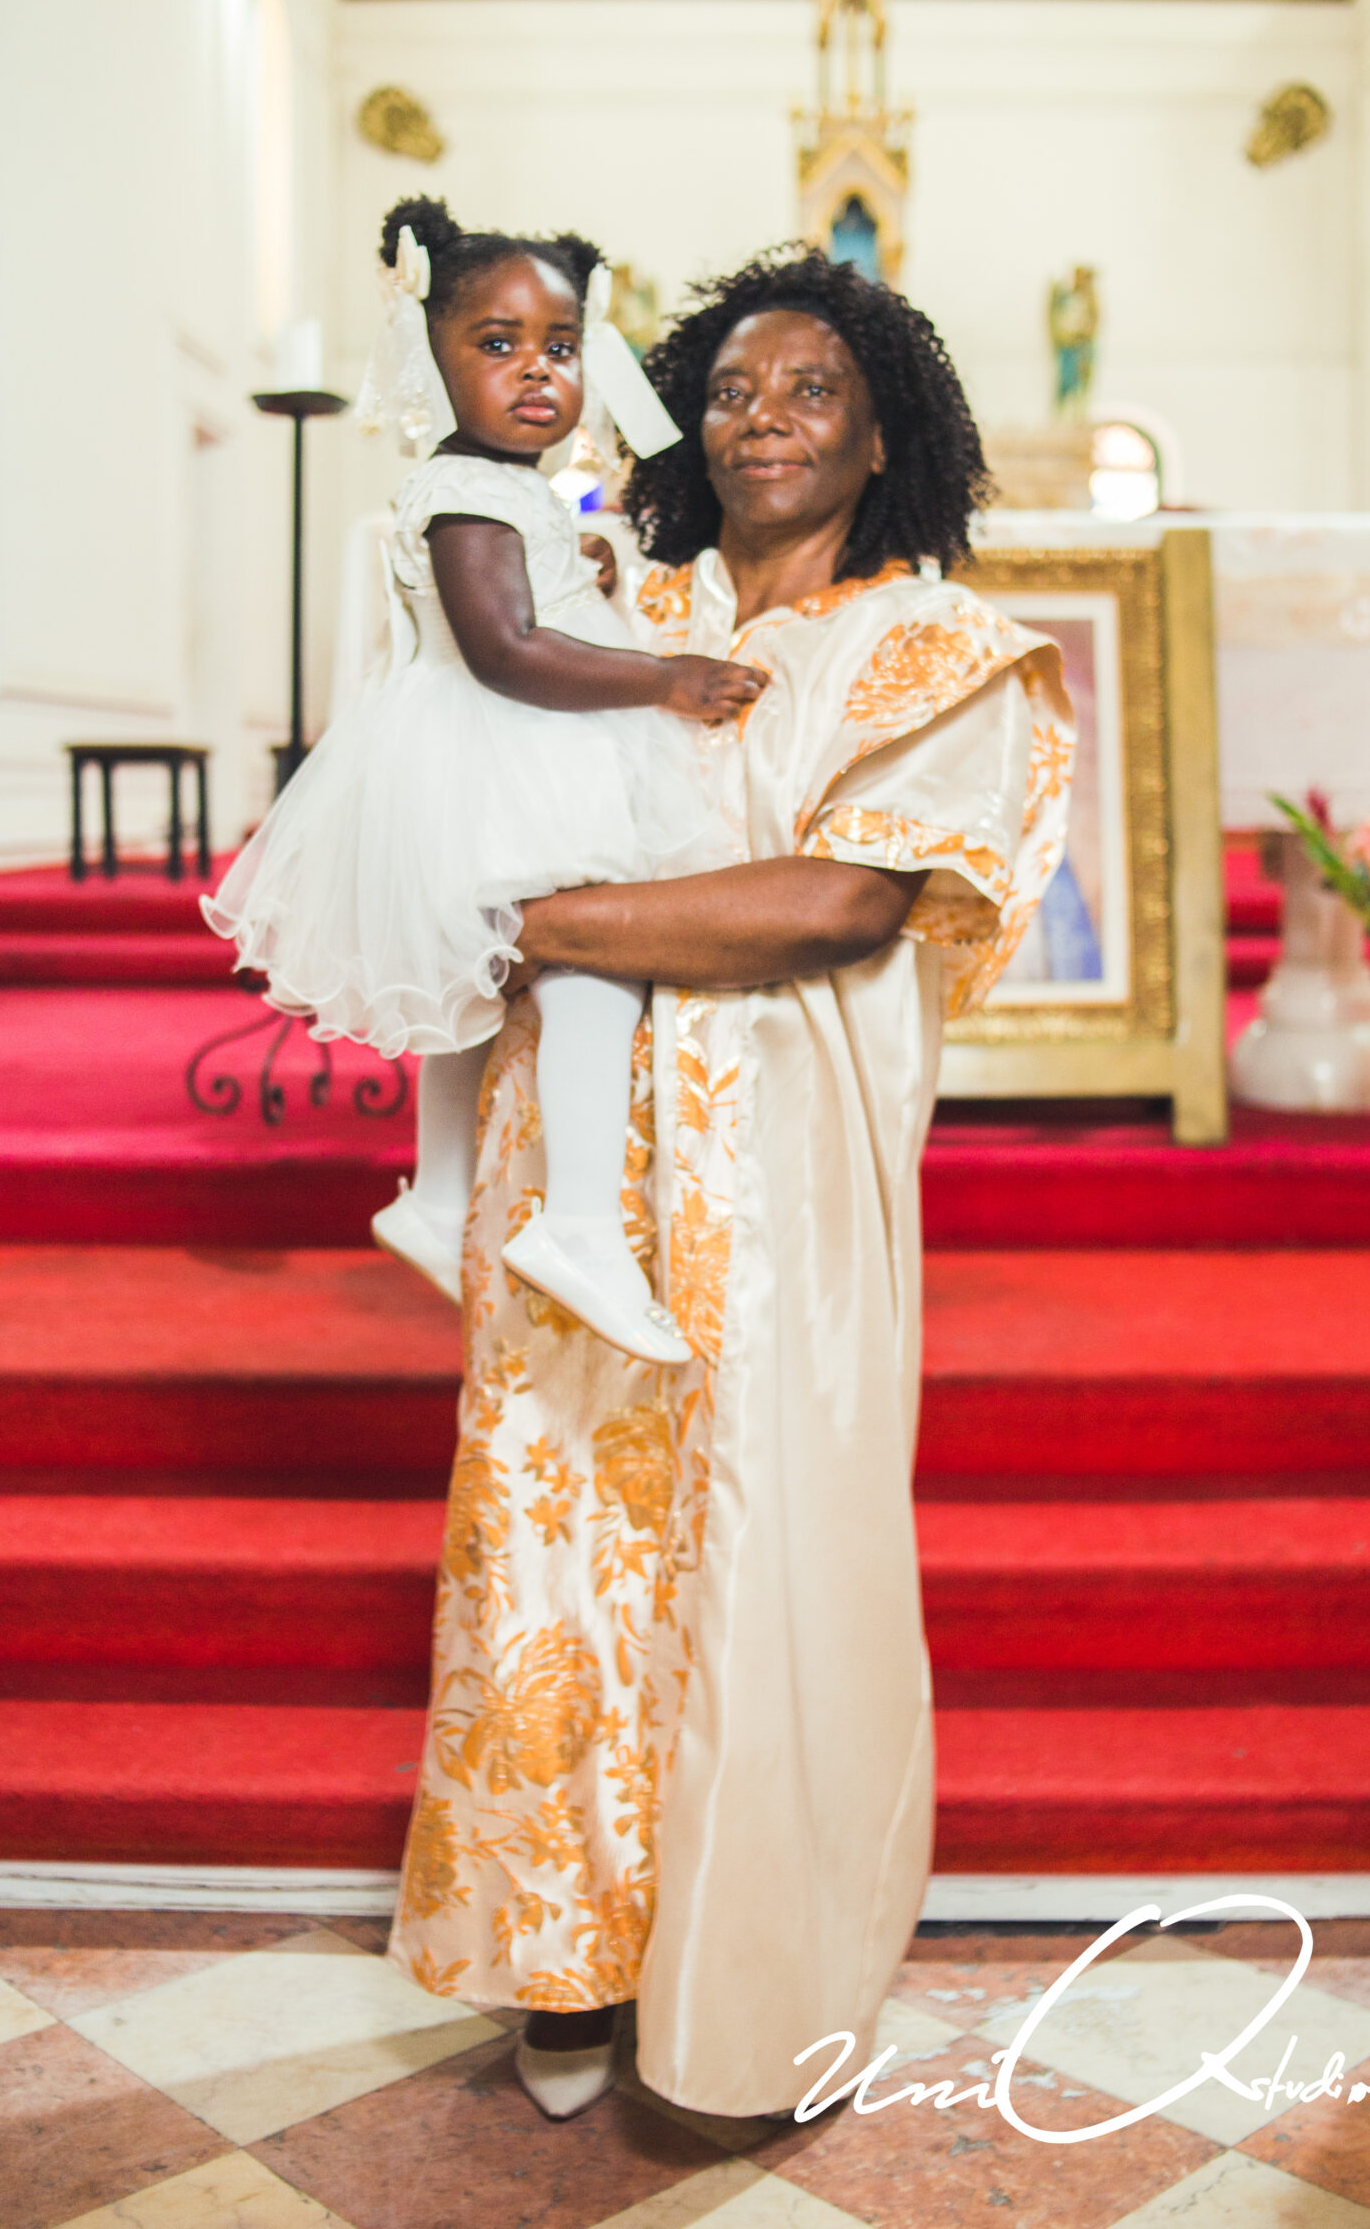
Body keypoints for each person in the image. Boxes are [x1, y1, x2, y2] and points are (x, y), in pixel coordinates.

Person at [385, 246, 1075, 2122]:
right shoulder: (625, 600)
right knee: (552, 1541)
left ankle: (749, 1996)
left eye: (812, 390)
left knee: (765, 1560)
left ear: (882, 436)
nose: (763, 417)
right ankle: (561, 1961)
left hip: (779, 1184)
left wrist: (531, 923)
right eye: (732, 388)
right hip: (569, 1163)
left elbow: (835, 904)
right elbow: (456, 748)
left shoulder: (933, 646)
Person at [204, 200, 764, 1365]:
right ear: (432, 351)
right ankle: (579, 1226)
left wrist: (574, 560)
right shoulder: (471, 492)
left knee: (469, 987)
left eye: (560, 346)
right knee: (593, 966)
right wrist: (667, 678)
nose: (537, 371)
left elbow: (524, 594)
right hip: (509, 751)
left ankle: (436, 1191)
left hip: (482, 758)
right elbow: (507, 649)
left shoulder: (492, 487)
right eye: (497, 343)